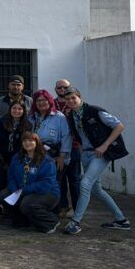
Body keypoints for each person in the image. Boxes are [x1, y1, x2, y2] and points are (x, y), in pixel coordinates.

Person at [63, 87, 130, 235]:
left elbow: (119, 126)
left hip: (100, 154)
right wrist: (82, 149)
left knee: (85, 184)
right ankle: (121, 220)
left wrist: (105, 145)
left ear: (79, 97)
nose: (71, 101)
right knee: (96, 189)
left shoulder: (94, 111)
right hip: (86, 154)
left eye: (73, 98)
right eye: (67, 99)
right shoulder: (71, 115)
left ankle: (75, 222)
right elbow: (79, 134)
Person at [1, 132, 60, 233]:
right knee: (4, 195)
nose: (27, 143)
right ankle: (23, 220)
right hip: (22, 190)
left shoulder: (46, 160)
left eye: (30, 140)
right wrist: (15, 190)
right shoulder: (17, 157)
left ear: (37, 142)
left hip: (47, 193)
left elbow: (46, 184)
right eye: (24, 141)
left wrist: (24, 190)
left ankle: (51, 221)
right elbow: (11, 176)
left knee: (27, 203)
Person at [28, 90, 71, 193]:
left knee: (53, 186)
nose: (41, 102)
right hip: (36, 158)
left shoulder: (59, 117)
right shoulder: (32, 117)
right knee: (39, 184)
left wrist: (62, 157)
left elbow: (66, 137)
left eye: (44, 100)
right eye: (38, 100)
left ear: (50, 101)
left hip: (54, 158)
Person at [54, 79, 81, 218]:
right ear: (55, 89)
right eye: (59, 88)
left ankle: (77, 209)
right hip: (57, 148)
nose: (62, 90)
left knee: (74, 180)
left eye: (65, 87)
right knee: (60, 180)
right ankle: (62, 207)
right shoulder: (52, 103)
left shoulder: (74, 104)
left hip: (74, 147)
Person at [0, 100, 30, 168]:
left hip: (19, 157)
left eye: (19, 109)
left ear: (24, 111)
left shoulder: (28, 125)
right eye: (14, 108)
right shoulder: (1, 122)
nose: (16, 111)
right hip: (1, 156)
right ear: (10, 109)